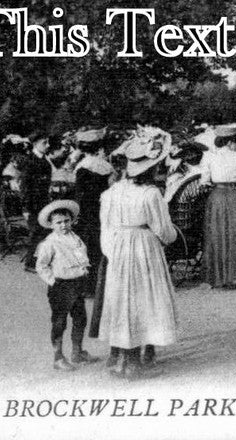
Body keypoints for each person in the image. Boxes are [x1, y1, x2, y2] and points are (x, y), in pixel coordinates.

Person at [99, 127, 178, 378]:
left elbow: (106, 227)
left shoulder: (110, 193)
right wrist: (169, 239)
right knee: (145, 298)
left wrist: (113, 253)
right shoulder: (151, 193)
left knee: (122, 299)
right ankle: (136, 357)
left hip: (119, 246)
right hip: (144, 245)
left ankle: (121, 356)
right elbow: (163, 229)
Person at [34, 199, 99, 370]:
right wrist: (53, 280)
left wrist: (84, 268)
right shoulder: (49, 243)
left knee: (80, 318)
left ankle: (77, 352)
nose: (63, 225)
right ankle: (58, 357)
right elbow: (41, 266)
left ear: (72, 221)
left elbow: (81, 255)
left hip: (76, 284)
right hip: (61, 286)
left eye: (66, 221)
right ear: (51, 225)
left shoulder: (75, 237)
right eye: (59, 222)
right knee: (59, 321)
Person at [199, 124, 236, 288]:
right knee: (234, 235)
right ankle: (234, 275)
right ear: (231, 142)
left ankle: (217, 275)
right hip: (233, 196)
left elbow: (204, 181)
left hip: (217, 197)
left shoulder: (209, 156)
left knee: (217, 234)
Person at [72, 128, 115, 289]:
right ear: (99, 148)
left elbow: (79, 194)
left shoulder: (81, 167)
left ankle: (86, 284)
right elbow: (111, 189)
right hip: (102, 209)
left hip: (85, 211)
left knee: (85, 245)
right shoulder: (106, 167)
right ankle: (100, 281)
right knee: (99, 244)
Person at [17, 132, 56, 271]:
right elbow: (24, 187)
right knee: (36, 232)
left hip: (43, 202)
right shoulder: (29, 161)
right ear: (35, 144)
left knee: (44, 231)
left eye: (47, 142)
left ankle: (41, 260)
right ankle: (30, 263)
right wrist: (26, 208)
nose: (47, 145)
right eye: (44, 143)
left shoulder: (45, 162)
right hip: (32, 203)